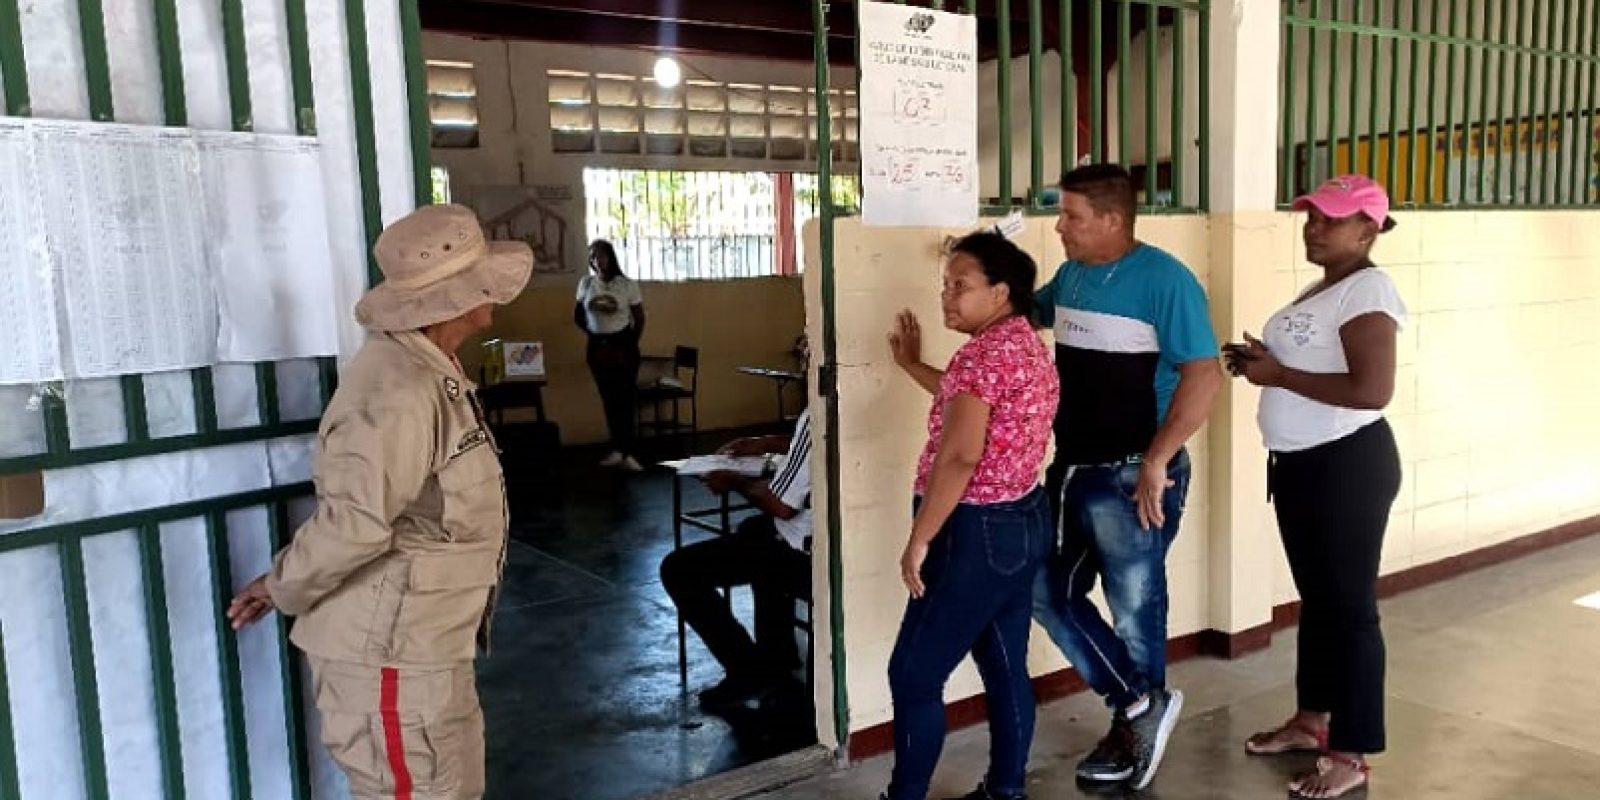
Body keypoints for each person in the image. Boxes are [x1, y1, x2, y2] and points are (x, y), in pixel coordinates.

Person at [225, 204, 532, 800]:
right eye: (481, 279)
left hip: (425, 650)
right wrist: (282, 584)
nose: (493, 290)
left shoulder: (431, 370)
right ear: (453, 298)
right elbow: (354, 524)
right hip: (393, 661)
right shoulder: (398, 390)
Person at [1030, 164, 1222, 791]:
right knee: (1042, 589)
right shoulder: (1071, 275)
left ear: (1113, 220)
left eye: (1072, 217)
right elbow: (1026, 310)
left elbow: (1203, 375)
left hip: (1134, 475)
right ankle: (1139, 702)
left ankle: (1133, 725)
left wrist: (1158, 458)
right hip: (1073, 468)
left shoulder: (1166, 282)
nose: (1060, 227)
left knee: (1135, 607)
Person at [1225, 175, 1405, 800]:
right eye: (1312, 216)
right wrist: (1263, 366)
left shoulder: (1369, 291)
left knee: (1351, 609)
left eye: (1331, 218)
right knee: (1320, 601)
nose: (1315, 226)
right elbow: (1313, 368)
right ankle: (1311, 721)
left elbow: (1371, 390)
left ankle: (1351, 754)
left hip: (1346, 467)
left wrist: (1278, 374)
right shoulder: (1326, 289)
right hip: (1304, 466)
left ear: (1369, 228)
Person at [880, 231, 1058, 800]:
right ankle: (1006, 790)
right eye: (945, 285)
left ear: (1000, 291)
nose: (947, 297)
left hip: (972, 533)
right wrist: (912, 365)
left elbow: (960, 455)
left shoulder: (983, 354)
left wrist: (919, 539)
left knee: (912, 675)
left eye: (961, 286)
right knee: (1006, 668)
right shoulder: (1023, 343)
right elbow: (967, 401)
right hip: (1021, 522)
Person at [659, 405, 814, 712]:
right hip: (834, 543)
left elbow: (782, 506)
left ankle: (749, 669)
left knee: (679, 569)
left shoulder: (821, 409)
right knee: (753, 532)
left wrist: (735, 480)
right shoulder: (853, 396)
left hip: (806, 556)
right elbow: (808, 445)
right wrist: (763, 443)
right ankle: (778, 656)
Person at [575, 239, 645, 471]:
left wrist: (626, 344)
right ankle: (617, 449)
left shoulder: (626, 285)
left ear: (611, 257)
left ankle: (629, 452)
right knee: (609, 399)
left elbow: (640, 318)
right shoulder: (585, 284)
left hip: (623, 345)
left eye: (602, 255)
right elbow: (578, 316)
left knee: (625, 399)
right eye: (593, 257)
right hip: (597, 347)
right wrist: (597, 336)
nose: (598, 261)